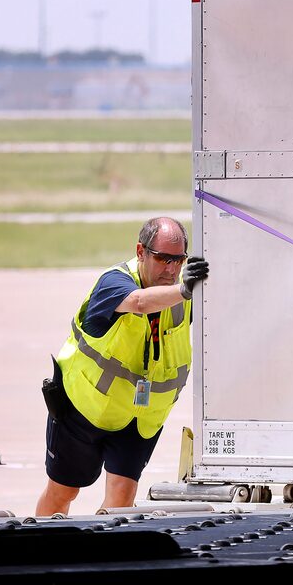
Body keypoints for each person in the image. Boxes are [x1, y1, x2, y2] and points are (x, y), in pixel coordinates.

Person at [36, 217, 210, 515]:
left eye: (178, 260)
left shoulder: (184, 291)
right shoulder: (113, 283)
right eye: (162, 259)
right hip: (85, 410)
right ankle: (41, 551)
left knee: (122, 497)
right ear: (141, 251)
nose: (171, 269)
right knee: (63, 492)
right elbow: (140, 302)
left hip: (140, 417)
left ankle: (100, 558)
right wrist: (183, 290)